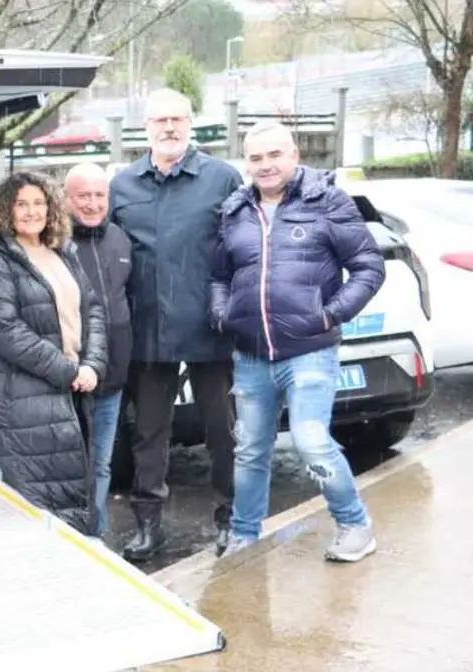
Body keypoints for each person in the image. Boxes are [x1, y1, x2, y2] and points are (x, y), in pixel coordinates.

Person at [211, 122, 384, 562]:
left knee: (310, 439)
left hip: (309, 351)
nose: (265, 165)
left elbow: (368, 265)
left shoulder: (327, 201)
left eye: (274, 155)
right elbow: (219, 275)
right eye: (255, 158)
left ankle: (355, 524)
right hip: (251, 356)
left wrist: (330, 313)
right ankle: (244, 534)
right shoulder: (235, 210)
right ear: (246, 162)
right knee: (250, 449)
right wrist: (223, 313)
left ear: (294, 155)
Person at [109, 88, 244, 561]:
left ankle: (231, 519)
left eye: (177, 119)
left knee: (222, 431)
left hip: (210, 329)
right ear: (144, 127)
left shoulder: (223, 179)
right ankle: (149, 526)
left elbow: (244, 250)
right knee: (148, 433)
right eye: (160, 120)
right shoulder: (122, 185)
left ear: (191, 124)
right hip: (148, 330)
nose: (169, 128)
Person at [0, 170, 108, 534]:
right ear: (5, 210)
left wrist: (92, 364)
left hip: (72, 387)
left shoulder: (62, 250)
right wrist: (67, 370)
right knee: (39, 499)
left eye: (38, 203)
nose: (32, 212)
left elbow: (91, 308)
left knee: (72, 489)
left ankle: (75, 567)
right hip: (22, 397)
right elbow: (5, 331)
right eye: (21, 204)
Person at [64, 162, 132, 537]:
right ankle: (72, 539)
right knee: (74, 466)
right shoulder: (52, 243)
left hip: (113, 377)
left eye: (99, 195)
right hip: (69, 378)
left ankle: (96, 538)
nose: (92, 203)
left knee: (102, 465)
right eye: (83, 196)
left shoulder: (120, 239)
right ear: (67, 199)